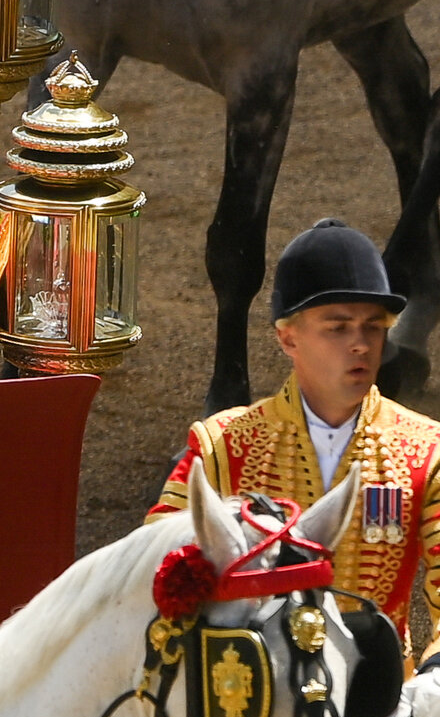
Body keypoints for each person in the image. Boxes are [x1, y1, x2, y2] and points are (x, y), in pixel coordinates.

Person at [152, 219, 440, 645]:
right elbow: (159, 571)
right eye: (338, 327)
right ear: (288, 338)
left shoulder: (426, 451)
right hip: (254, 694)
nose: (360, 343)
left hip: (374, 700)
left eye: (373, 326)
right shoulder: (222, 445)